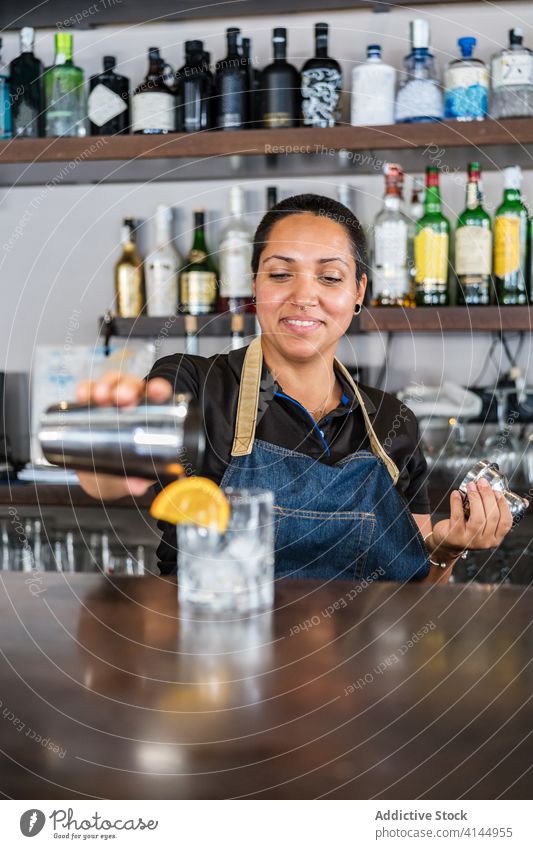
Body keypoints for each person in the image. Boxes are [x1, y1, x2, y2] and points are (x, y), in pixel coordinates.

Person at [77, 194, 514, 583]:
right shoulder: (196, 384)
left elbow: (417, 577)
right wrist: (112, 440)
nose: (303, 296)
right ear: (254, 286)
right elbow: (108, 477)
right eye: (281, 274)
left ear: (359, 291)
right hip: (214, 662)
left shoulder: (391, 420)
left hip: (361, 664)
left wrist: (448, 547)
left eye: (330, 278)